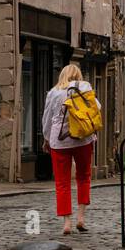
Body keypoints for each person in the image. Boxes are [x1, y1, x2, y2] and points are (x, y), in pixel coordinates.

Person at [42, 63, 101, 236]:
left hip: (59, 141)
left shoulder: (53, 93)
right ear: (78, 75)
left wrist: (46, 138)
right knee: (84, 177)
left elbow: (47, 118)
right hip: (83, 138)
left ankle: (67, 223)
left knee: (62, 182)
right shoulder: (85, 88)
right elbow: (97, 108)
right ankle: (81, 218)